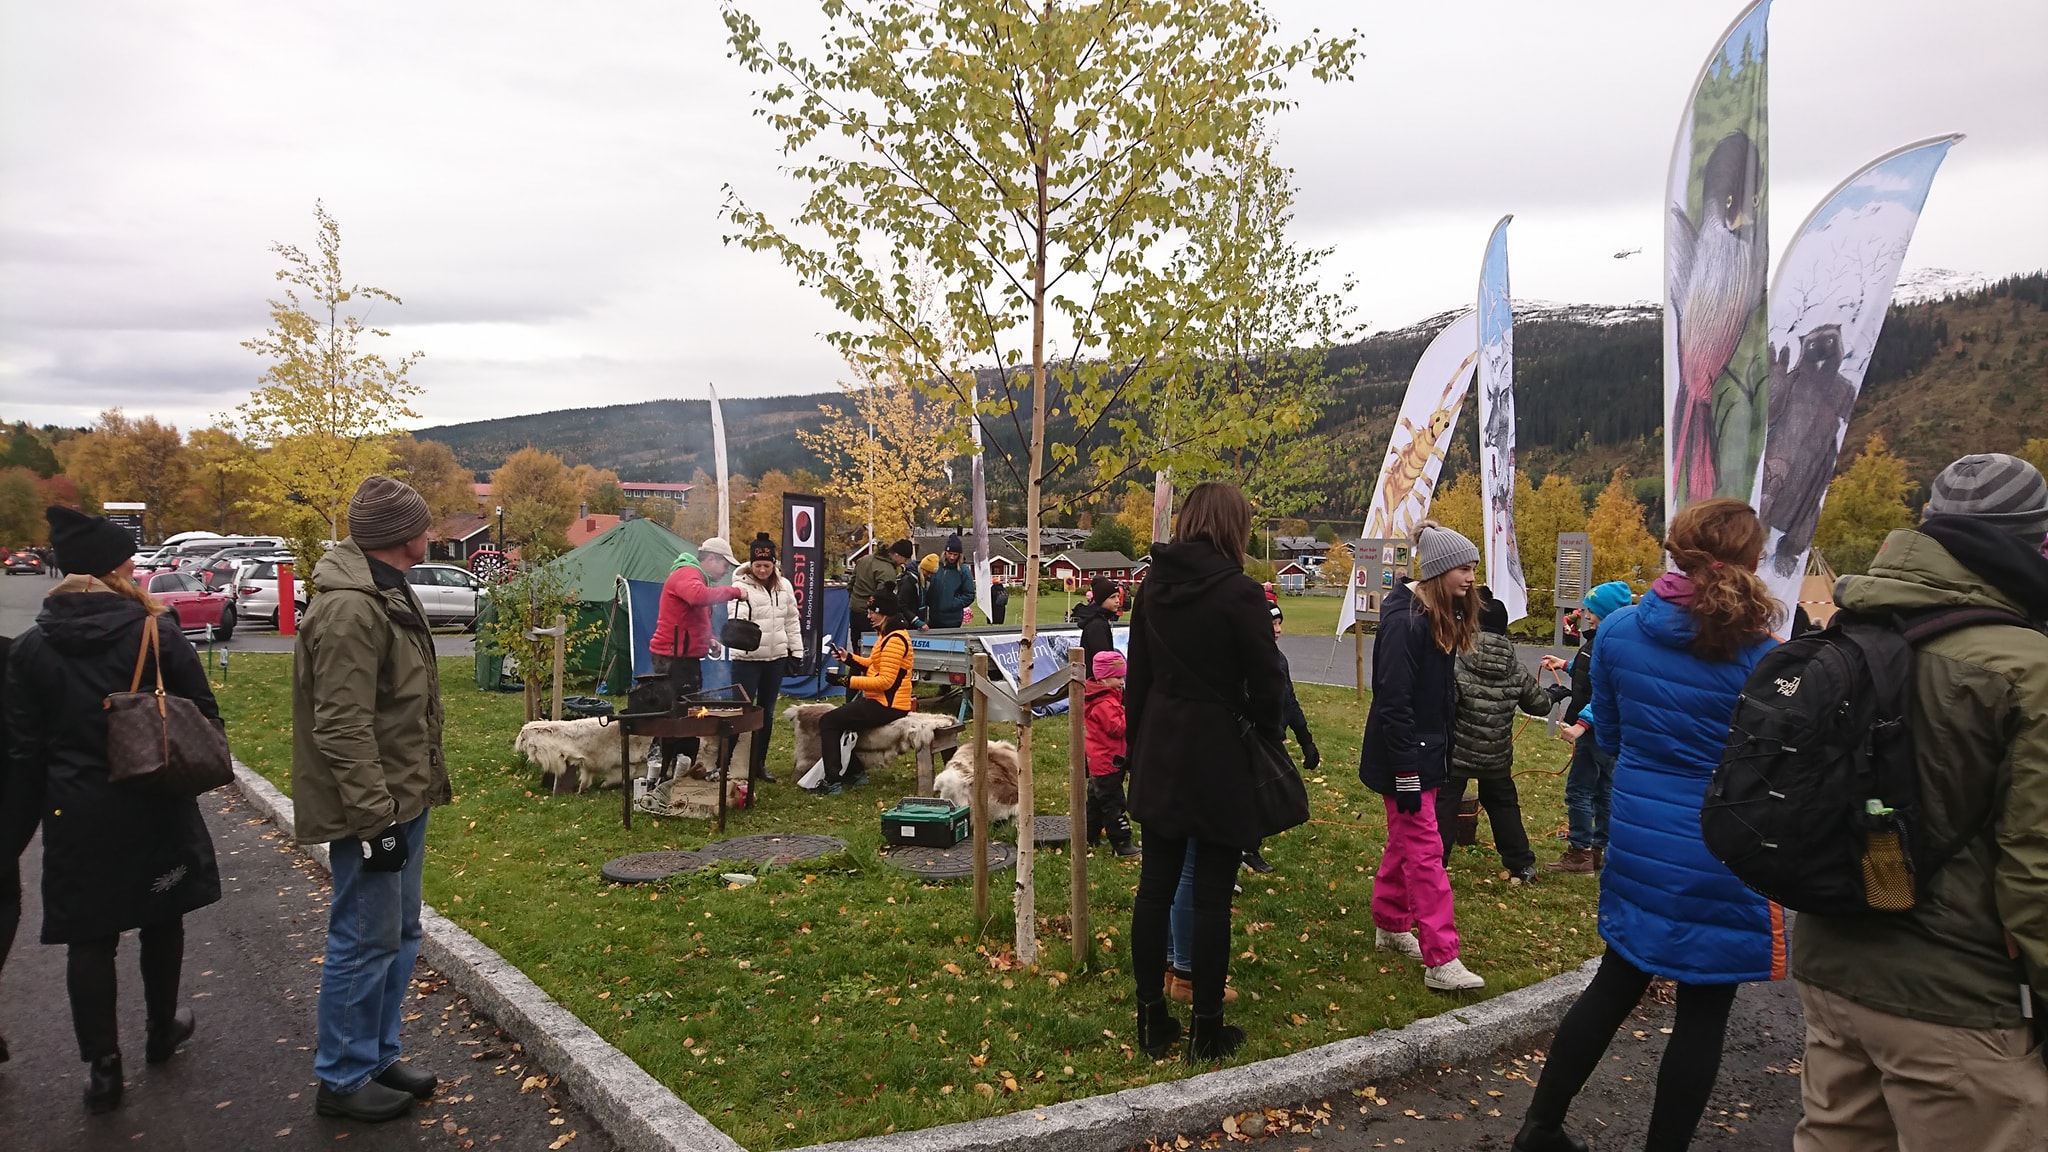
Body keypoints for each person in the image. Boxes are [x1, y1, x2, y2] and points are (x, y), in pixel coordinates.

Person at [1790, 453, 2048, 1152]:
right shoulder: (2028, 668)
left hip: (1831, 960)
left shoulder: (1848, 634)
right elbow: (2035, 873)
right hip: (1959, 996)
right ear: (2037, 543)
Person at [1513, 497, 1781, 1152]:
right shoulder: (1763, 653)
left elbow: (1614, 730)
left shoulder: (1622, 633)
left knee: (1617, 978)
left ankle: (1539, 1128)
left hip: (1637, 824)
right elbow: (1772, 761)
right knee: (1705, 1007)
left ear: (1677, 549)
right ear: (1751, 560)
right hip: (1722, 839)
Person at [6, 506, 222, 1111]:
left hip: (74, 813)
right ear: (114, 569)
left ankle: (102, 1067)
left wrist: (14, 836)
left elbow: (24, 755)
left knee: (90, 939)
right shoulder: (156, 632)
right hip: (152, 798)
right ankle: (160, 1030)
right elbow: (202, 712)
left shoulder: (30, 651)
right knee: (162, 915)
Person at [289, 478, 451, 1122]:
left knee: (399, 933)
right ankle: (344, 1076)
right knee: (363, 938)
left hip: (404, 797)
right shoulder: (351, 609)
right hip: (375, 807)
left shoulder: (387, 588)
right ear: (400, 533)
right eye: (424, 523)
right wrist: (373, 820)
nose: (432, 531)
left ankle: (378, 1056)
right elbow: (342, 724)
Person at [1126, 482, 1289, 1061]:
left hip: (1160, 748)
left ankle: (1151, 1022)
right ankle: (1205, 1028)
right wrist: (1264, 733)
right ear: (1233, 527)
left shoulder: (1151, 588)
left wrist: (1136, 749)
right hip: (1218, 752)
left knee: (1155, 889)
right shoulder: (1239, 593)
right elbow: (1267, 683)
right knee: (1213, 896)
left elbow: (1135, 683)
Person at [1360, 520, 1486, 993]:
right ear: (1438, 571)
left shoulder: (1440, 614)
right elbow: (1393, 701)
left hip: (1427, 754)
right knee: (1426, 851)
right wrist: (1408, 773)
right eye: (1464, 568)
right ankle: (1442, 959)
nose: (1471, 577)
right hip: (1406, 761)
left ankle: (1392, 924)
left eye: (1473, 567)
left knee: (1406, 842)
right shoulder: (1404, 622)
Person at [1440, 588, 1551, 884]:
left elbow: (1443, 705)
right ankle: (1522, 865)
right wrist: (1553, 694)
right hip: (1497, 756)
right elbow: (1538, 704)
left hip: (1456, 754)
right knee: (1504, 806)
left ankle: (1436, 864)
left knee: (1444, 806)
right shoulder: (1514, 665)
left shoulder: (1456, 658)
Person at [1540, 581, 1633, 875]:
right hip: (1605, 733)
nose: (1585, 615)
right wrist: (1565, 664)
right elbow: (1591, 671)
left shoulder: (1611, 643)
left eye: (1591, 610)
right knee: (1603, 790)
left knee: (1579, 790)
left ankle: (1580, 852)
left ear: (1607, 612)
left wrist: (1582, 723)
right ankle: (1599, 850)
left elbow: (1609, 691)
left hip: (1596, 733)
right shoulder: (1602, 641)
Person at [648, 537, 748, 773]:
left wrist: (707, 639)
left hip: (682, 657)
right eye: (725, 565)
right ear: (711, 559)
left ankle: (681, 763)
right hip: (673, 660)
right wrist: (735, 591)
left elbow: (689, 615)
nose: (725, 571)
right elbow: (697, 597)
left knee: (687, 712)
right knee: (678, 714)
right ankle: (665, 765)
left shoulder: (693, 576)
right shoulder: (688, 573)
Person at [817, 585, 916, 794]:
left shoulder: (895, 640)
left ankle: (833, 780)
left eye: (873, 612)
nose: (869, 616)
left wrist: (845, 680)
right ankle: (854, 773)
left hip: (887, 705)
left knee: (828, 721)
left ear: (884, 614)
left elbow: (884, 682)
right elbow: (874, 664)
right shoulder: (887, 635)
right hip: (882, 702)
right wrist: (849, 658)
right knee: (838, 720)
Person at [730, 534, 805, 786]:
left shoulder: (783, 586)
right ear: (751, 564)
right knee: (740, 711)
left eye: (767, 565)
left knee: (767, 713)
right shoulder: (740, 586)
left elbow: (791, 621)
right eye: (757, 565)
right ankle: (729, 761)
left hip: (775, 659)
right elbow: (734, 617)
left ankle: (758, 762)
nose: (762, 570)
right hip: (746, 660)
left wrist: (796, 652)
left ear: (774, 565)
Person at [1083, 649, 1140, 858]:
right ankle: (1121, 842)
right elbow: (1117, 728)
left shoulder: (1106, 698)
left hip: (1102, 761)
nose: (1121, 681)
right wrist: (1130, 716)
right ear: (1104, 679)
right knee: (1113, 803)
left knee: (1097, 803)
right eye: (1117, 677)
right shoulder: (1105, 703)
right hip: (1107, 762)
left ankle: (1089, 836)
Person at [925, 534, 976, 629]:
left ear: (959, 555)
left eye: (955, 554)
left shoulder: (964, 571)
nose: (952, 557)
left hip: (952, 620)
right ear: (945, 553)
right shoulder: (937, 567)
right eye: (950, 553)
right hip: (934, 618)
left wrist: (952, 603)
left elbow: (969, 595)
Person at [1072, 576, 1123, 668]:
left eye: (1118, 596)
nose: (1117, 601)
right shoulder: (1096, 626)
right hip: (1098, 679)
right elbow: (1104, 660)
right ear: (1101, 600)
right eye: (1112, 597)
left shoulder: (1101, 620)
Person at [906, 551, 935, 631]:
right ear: (923, 568)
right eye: (928, 572)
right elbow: (902, 605)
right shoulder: (909, 581)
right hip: (909, 624)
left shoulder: (925, 582)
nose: (929, 575)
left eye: (932, 573)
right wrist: (916, 621)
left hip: (919, 623)